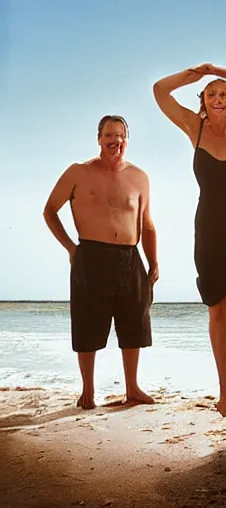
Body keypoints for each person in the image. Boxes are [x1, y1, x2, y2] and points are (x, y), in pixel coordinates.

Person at [153, 63, 226, 416]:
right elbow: (159, 89)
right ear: (203, 99)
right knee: (215, 307)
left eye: (223, 93)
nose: (218, 98)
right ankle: (223, 386)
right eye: (211, 93)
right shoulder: (195, 128)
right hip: (207, 227)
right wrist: (192, 76)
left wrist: (217, 70)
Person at [43, 115, 158, 410]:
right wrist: (72, 248)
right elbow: (50, 211)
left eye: (121, 135)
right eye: (109, 135)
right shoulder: (78, 172)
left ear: (126, 140)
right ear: (98, 138)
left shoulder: (140, 177)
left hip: (130, 257)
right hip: (91, 255)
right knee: (88, 324)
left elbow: (147, 224)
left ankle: (132, 388)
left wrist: (153, 262)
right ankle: (88, 391)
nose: (115, 140)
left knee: (134, 323)